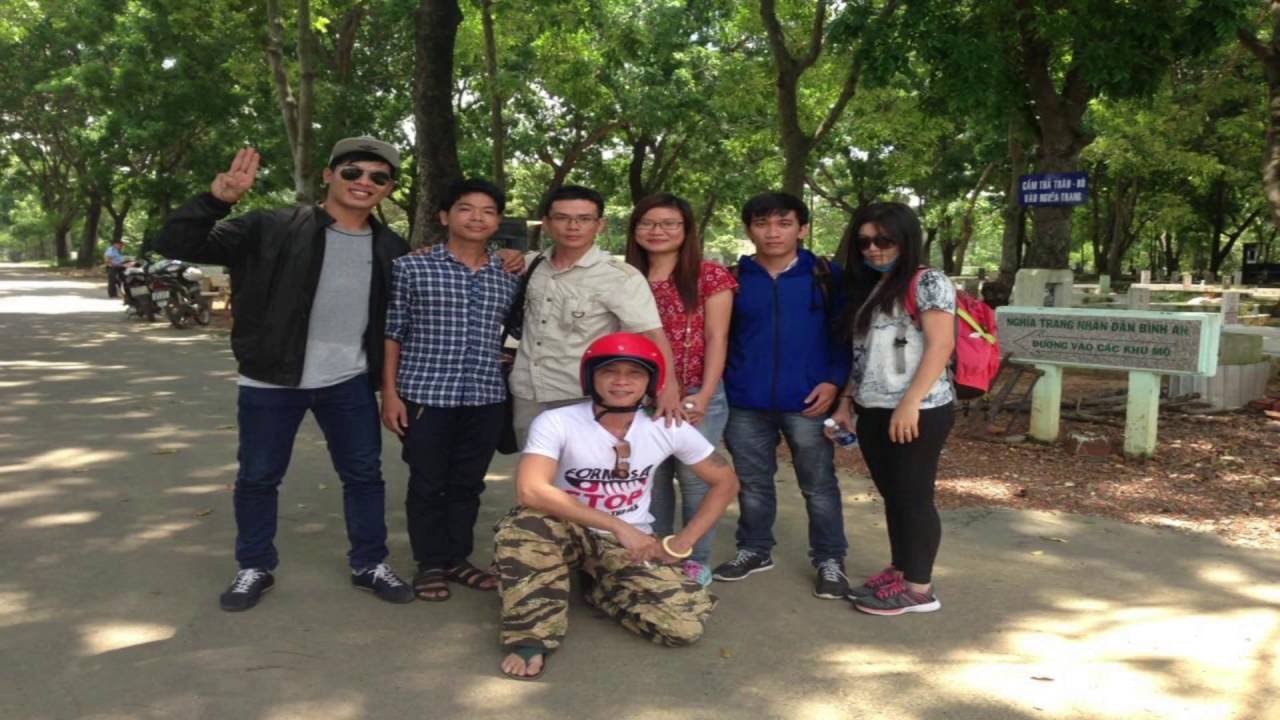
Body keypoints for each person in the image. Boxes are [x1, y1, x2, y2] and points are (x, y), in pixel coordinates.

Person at [155, 137, 415, 611]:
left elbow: (402, 316)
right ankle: (254, 566)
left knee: (364, 476)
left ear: (388, 189)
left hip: (348, 383)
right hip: (270, 380)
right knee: (258, 477)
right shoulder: (271, 226)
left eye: (379, 177)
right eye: (353, 172)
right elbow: (177, 243)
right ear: (329, 175)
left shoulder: (391, 247)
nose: (364, 182)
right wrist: (216, 201)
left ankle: (369, 563)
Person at [495, 333, 739, 680]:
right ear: (590, 377)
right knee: (524, 527)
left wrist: (684, 541)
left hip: (628, 545)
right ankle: (530, 638)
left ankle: (599, 587)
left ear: (650, 382)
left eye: (634, 373)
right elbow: (531, 490)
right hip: (567, 530)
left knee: (684, 626)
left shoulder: (666, 426)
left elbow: (726, 482)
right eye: (609, 371)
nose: (622, 381)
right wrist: (617, 525)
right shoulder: (557, 421)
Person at [381, 178, 519, 602]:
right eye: (466, 208)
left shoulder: (508, 275)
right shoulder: (412, 268)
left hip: (485, 396)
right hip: (425, 395)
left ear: (497, 221)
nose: (477, 218)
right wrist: (390, 393)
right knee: (427, 483)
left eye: (488, 211)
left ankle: (457, 559)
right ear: (444, 216)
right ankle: (429, 564)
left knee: (468, 484)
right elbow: (393, 332)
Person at [711, 191, 853, 600]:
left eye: (783, 223)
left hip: (809, 401)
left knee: (818, 485)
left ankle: (829, 558)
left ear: (802, 228)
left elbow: (844, 335)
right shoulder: (733, 279)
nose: (772, 233)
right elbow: (718, 337)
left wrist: (834, 382)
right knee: (753, 482)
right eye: (762, 224)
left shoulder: (827, 275)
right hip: (745, 401)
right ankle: (755, 549)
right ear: (749, 229)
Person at [829, 202, 955, 616]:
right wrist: (846, 402)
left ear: (905, 240)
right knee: (894, 495)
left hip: (919, 408)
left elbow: (941, 344)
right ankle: (902, 569)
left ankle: (919, 589)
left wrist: (911, 402)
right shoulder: (872, 287)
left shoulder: (928, 281)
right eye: (864, 242)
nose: (873, 249)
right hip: (873, 407)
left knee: (914, 496)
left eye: (884, 240)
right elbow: (863, 353)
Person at [507, 185, 684, 448]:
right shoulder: (530, 265)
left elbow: (651, 333)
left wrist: (668, 387)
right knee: (533, 469)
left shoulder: (620, 277)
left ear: (600, 224)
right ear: (546, 223)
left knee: (585, 470)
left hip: (582, 396)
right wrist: (502, 253)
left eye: (584, 219)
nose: (573, 226)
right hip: (528, 394)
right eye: (562, 218)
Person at [623, 193, 737, 586]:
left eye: (669, 223)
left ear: (687, 230)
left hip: (695, 392)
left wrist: (704, 394)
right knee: (648, 478)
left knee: (695, 479)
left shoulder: (709, 276)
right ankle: (652, 555)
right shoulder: (624, 278)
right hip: (637, 398)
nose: (657, 231)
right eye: (647, 223)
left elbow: (717, 337)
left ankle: (692, 559)